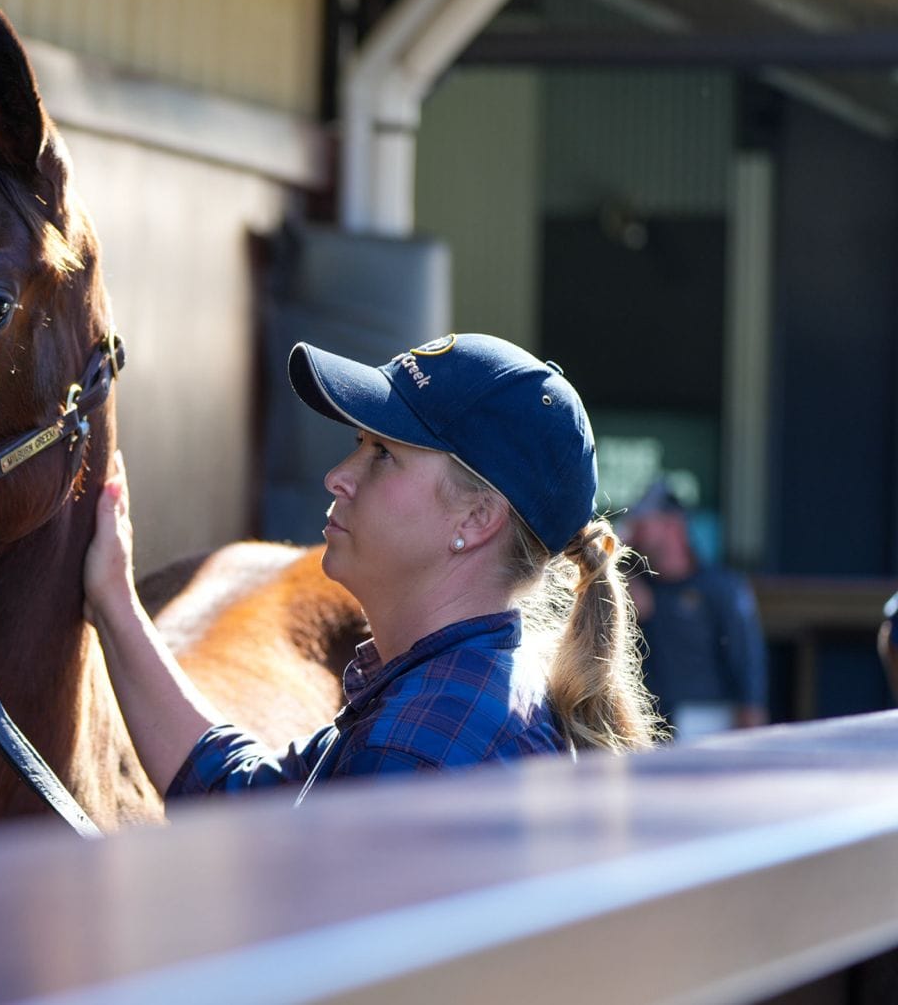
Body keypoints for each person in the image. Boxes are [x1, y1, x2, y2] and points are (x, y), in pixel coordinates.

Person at [83, 333, 661, 804]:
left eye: (383, 454)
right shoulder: (447, 693)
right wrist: (114, 600)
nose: (339, 475)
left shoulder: (418, 751)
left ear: (477, 517)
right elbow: (246, 800)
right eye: (361, 442)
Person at [620, 479, 768, 740]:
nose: (638, 528)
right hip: (653, 724)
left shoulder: (719, 586)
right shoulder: (638, 583)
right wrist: (619, 546)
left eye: (646, 520)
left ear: (672, 524)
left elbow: (746, 655)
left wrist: (751, 709)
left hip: (711, 723)